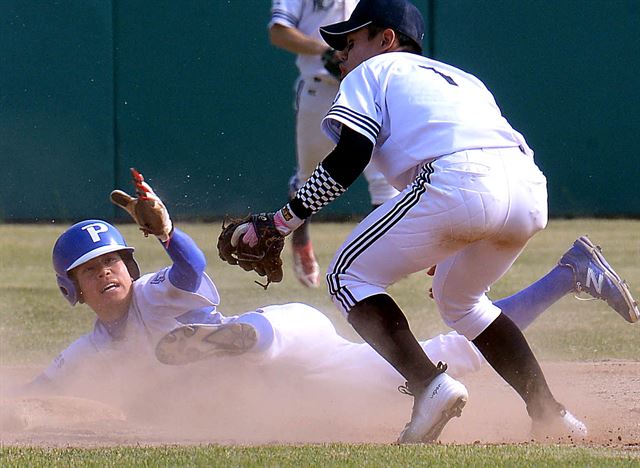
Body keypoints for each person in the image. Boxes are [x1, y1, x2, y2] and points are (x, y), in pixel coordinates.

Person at [232, 0, 640, 443]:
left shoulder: (373, 72)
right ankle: (549, 413)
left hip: (459, 180)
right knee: (460, 301)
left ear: (386, 40)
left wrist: (281, 222)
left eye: (351, 41)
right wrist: (449, 232)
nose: (342, 54)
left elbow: (350, 157)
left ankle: (429, 386)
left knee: (346, 275)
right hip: (526, 190)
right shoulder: (464, 79)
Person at [18, 172, 637, 443]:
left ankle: (227, 338)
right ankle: (569, 273)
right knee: (453, 361)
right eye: (89, 271)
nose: (105, 274)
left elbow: (193, 269)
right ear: (72, 291)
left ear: (129, 265)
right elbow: (39, 392)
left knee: (254, 336)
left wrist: (163, 231)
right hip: (307, 378)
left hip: (287, 334)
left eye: (111, 262)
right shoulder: (90, 352)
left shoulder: (157, 289)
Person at [269, 0, 400, 288]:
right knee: (310, 181)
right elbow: (278, 32)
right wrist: (323, 50)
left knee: (385, 181)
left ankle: (372, 266)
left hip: (369, 89)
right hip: (320, 90)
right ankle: (300, 229)